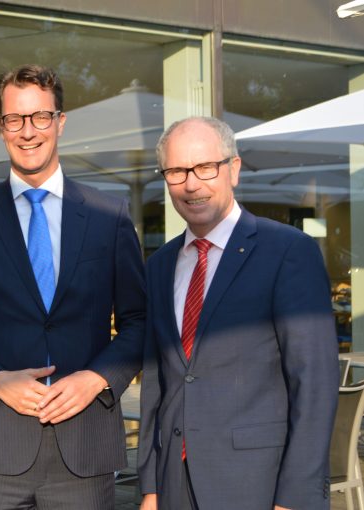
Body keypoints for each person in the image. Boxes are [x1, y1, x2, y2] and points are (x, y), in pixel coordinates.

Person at [0, 64, 146, 509]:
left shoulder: (111, 216)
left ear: (60, 122)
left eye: (40, 117)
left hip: (83, 451)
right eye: (15, 119)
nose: (28, 131)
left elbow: (138, 321)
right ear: (1, 127)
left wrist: (97, 378)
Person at [138, 116, 338, 510]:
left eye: (205, 167)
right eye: (177, 171)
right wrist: (150, 487)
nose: (191, 183)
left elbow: (313, 384)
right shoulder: (160, 265)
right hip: (173, 485)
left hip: (257, 486)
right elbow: (156, 383)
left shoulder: (287, 251)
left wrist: (295, 498)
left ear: (234, 169)